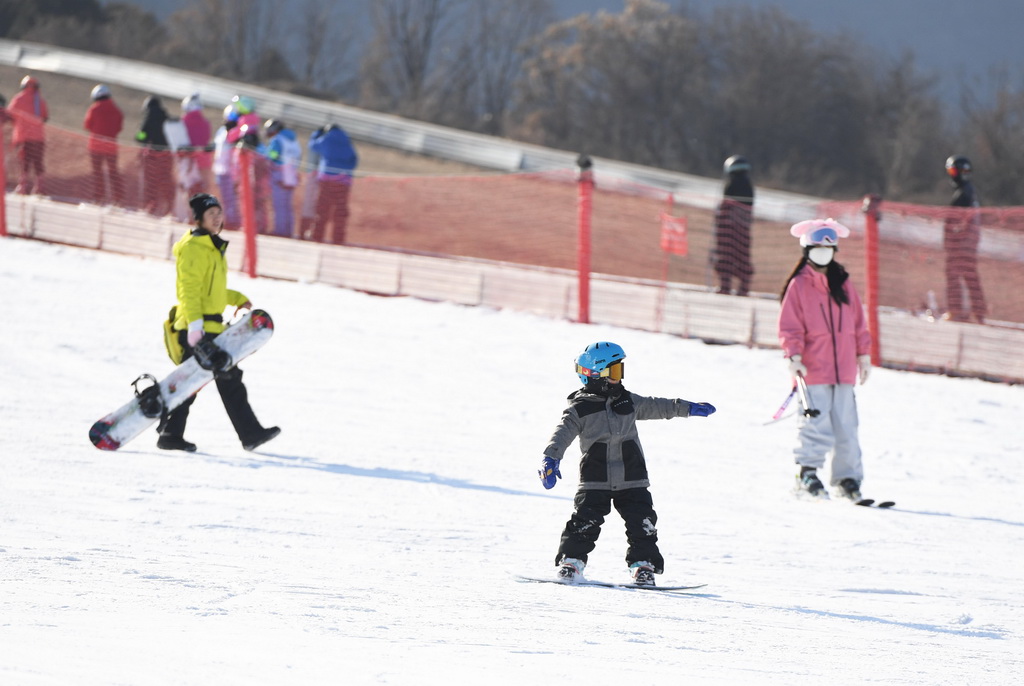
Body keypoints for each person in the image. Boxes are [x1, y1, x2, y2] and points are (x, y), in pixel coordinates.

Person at [539, 342, 717, 587]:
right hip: (595, 479)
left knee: (643, 524)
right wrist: (551, 457)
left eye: (619, 371)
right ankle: (571, 563)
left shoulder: (628, 402)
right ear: (595, 375)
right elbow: (561, 434)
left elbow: (659, 405)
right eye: (613, 372)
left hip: (632, 478)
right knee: (583, 523)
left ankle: (643, 567)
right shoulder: (580, 410)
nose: (618, 378)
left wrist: (687, 408)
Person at [157, 192, 281, 453]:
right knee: (227, 378)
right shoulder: (193, 248)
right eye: (211, 214)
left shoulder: (212, 246)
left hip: (210, 326)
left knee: (197, 382)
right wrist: (194, 326)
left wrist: (236, 298)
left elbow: (210, 291)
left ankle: (171, 434)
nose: (217, 218)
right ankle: (250, 434)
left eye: (219, 213)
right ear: (199, 218)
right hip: (198, 328)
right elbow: (189, 290)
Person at [779, 218, 873, 502]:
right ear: (807, 250)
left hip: (843, 371)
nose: (824, 253)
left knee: (847, 427)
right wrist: (793, 355)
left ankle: (847, 480)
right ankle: (806, 474)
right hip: (813, 370)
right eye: (818, 247)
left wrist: (863, 354)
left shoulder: (843, 284)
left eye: (829, 248)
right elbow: (789, 325)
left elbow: (858, 322)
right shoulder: (799, 286)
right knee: (814, 425)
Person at [943, 155, 986, 324]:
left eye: (953, 171)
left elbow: (956, 222)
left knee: (954, 275)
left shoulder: (963, 194)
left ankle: (956, 310)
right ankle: (979, 311)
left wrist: (953, 240)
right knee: (970, 276)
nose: (951, 175)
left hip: (961, 244)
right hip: (969, 243)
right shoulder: (970, 191)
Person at [308, 124, 358, 244]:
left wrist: (316, 134)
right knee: (340, 212)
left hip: (326, 180)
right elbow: (354, 160)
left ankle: (317, 236)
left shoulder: (326, 139)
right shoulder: (347, 141)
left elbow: (313, 146)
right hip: (343, 181)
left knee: (322, 209)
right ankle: (338, 239)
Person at [713, 155, 755, 296]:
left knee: (725, 258)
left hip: (728, 230)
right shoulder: (749, 186)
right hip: (743, 230)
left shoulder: (730, 185)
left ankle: (725, 287)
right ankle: (743, 289)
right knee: (742, 259)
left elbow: (725, 207)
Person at [82, 84, 124, 205]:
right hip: (111, 146)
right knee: (113, 173)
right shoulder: (116, 110)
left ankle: (99, 198)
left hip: (95, 146)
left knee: (97, 173)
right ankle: (118, 199)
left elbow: (87, 125)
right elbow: (119, 127)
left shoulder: (94, 109)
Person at [8, 75, 49, 194]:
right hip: (38, 138)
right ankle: (39, 187)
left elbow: (10, 115)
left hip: (23, 137)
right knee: (38, 163)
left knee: (24, 163)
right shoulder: (40, 101)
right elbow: (45, 117)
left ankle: (23, 186)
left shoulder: (18, 99)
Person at [135, 95, 175, 215]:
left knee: (151, 182)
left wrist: (138, 136)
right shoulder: (167, 117)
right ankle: (169, 206)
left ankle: (152, 206)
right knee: (165, 180)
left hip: (152, 156)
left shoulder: (149, 118)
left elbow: (142, 136)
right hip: (167, 155)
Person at [263, 119, 302, 238]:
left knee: (279, 205)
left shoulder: (277, 140)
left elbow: (272, 156)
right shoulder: (294, 141)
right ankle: (288, 231)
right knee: (287, 205)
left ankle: (280, 231)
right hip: (291, 175)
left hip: (278, 175)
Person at [212, 105, 242, 229]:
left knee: (231, 196)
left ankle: (233, 220)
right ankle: (228, 218)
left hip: (231, 170)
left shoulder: (237, 132)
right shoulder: (221, 131)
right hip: (220, 168)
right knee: (224, 196)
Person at [180, 92, 212, 198]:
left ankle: (190, 213)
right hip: (204, 160)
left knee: (188, 189)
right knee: (202, 189)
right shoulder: (206, 123)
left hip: (188, 160)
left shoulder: (184, 122)